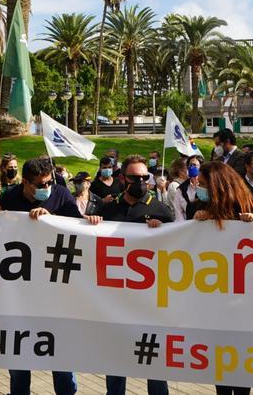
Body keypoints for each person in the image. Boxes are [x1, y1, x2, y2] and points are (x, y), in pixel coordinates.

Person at [0, 157, 82, 395]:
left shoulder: (60, 194)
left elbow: (77, 228)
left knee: (60, 354)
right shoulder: (9, 197)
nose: (46, 189)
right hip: (20, 290)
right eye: (40, 185)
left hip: (54, 287)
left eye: (49, 182)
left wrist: (50, 218)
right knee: (19, 357)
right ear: (25, 183)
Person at [99, 155, 173, 395]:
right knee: (116, 361)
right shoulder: (109, 208)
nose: (141, 182)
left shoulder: (162, 210)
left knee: (154, 362)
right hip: (116, 300)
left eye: (145, 177)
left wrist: (163, 230)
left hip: (150, 301)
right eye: (135, 178)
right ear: (123, 179)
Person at [190, 161, 253, 395]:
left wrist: (251, 225)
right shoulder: (199, 204)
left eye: (201, 183)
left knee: (238, 352)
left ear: (215, 184)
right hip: (212, 290)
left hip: (242, 293)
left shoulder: (244, 204)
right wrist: (197, 220)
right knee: (219, 353)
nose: (197, 187)